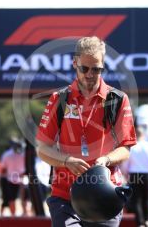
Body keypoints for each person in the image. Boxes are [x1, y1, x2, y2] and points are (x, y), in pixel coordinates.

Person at [36, 36, 136, 227]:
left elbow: (125, 148)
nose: (90, 74)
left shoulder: (118, 99)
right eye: (84, 68)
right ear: (75, 63)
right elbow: (43, 149)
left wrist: (105, 160)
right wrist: (66, 161)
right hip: (66, 196)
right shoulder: (60, 98)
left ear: (103, 66)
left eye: (96, 69)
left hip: (105, 194)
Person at [123, 125, 148, 227]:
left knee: (136, 199)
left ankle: (140, 222)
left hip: (134, 174)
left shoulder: (132, 147)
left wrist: (125, 173)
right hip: (147, 174)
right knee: (147, 198)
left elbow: (126, 163)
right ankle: (147, 220)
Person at [0, 137, 28, 216]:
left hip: (10, 179)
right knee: (24, 198)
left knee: (11, 199)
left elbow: (3, 168)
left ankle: (13, 216)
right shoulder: (24, 154)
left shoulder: (6, 154)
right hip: (22, 179)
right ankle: (24, 214)